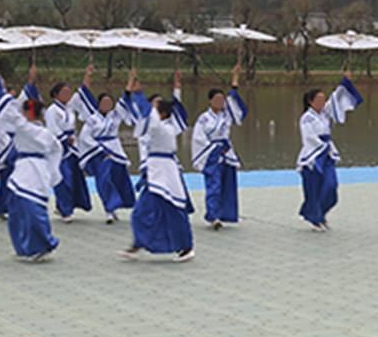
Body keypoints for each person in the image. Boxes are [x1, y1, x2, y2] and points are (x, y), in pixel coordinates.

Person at [121, 72, 195, 262]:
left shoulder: (163, 128)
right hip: (155, 173)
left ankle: (185, 247)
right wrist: (133, 91)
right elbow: (139, 116)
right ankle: (139, 242)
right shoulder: (155, 127)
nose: (151, 109)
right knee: (143, 211)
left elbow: (150, 117)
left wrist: (138, 94)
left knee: (173, 210)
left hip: (164, 174)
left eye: (155, 107)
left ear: (161, 113)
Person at [297, 75, 364, 230]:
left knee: (331, 186)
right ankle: (315, 218)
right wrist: (321, 147)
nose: (322, 102)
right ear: (310, 101)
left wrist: (345, 82)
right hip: (313, 156)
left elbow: (336, 98)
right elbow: (308, 137)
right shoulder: (306, 118)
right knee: (313, 188)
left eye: (323, 99)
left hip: (327, 154)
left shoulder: (325, 113)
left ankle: (322, 213)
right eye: (319, 100)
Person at [75, 63, 139, 223]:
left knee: (120, 177)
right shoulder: (92, 118)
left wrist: (131, 79)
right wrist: (88, 74)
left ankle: (120, 205)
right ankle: (109, 209)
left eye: (109, 103)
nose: (107, 105)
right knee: (104, 179)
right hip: (98, 152)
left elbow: (126, 96)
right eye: (104, 103)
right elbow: (85, 137)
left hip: (115, 149)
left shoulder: (115, 115)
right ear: (98, 104)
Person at [191, 63, 248, 230]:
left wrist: (235, 78)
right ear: (210, 101)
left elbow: (235, 104)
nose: (220, 102)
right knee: (213, 185)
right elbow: (198, 138)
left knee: (227, 184)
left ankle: (225, 213)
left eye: (222, 100)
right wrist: (213, 150)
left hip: (226, 152)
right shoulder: (203, 119)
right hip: (211, 154)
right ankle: (213, 215)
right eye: (217, 99)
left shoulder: (227, 115)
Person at [5, 96, 64, 262]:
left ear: (29, 113)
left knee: (33, 210)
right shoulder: (25, 129)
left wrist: (52, 172)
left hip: (35, 171)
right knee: (16, 211)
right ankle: (23, 246)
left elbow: (56, 150)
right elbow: (9, 117)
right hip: (22, 170)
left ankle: (43, 244)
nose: (21, 114)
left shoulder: (40, 132)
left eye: (24, 111)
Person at [0, 65, 39, 220]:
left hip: (11, 142)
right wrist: (31, 79)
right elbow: (25, 98)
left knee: (12, 176)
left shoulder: (10, 105)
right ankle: (6, 207)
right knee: (9, 176)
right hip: (7, 144)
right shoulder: (7, 103)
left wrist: (31, 79)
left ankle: (5, 207)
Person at [44, 80, 93, 221]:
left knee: (75, 177)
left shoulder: (69, 107)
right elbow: (52, 129)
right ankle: (66, 210)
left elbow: (82, 92)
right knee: (63, 178)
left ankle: (64, 206)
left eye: (68, 93)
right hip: (59, 148)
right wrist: (65, 139)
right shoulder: (51, 111)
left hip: (73, 147)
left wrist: (87, 76)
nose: (67, 95)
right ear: (55, 95)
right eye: (63, 93)